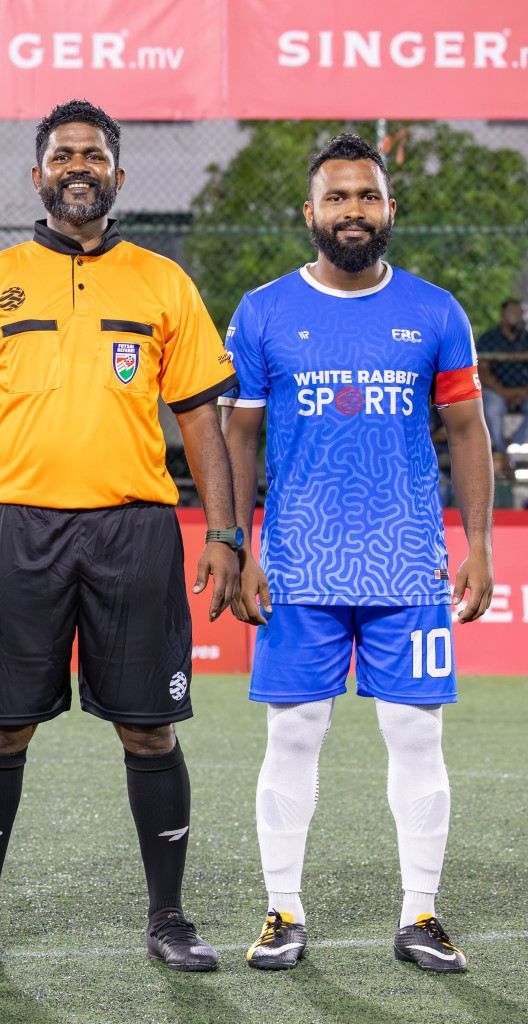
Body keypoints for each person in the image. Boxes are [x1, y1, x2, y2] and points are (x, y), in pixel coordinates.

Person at [0, 99, 240, 972]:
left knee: (151, 731)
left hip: (135, 529)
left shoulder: (163, 283)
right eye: (63, 154)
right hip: (17, 527)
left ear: (118, 176)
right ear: (39, 175)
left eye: (94, 153)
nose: (79, 165)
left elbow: (202, 420)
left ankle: (168, 917)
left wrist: (227, 532)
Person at [222, 133, 493, 974]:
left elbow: (467, 430)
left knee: (417, 739)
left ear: (389, 209)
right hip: (297, 563)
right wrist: (236, 542)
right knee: (293, 736)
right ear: (310, 213)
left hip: (409, 564)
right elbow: (237, 434)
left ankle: (420, 913)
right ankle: (282, 912)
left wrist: (477, 541)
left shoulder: (437, 310)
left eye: (366, 197)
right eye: (336, 198)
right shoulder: (263, 311)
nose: (352, 212)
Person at [475, 299, 527, 462]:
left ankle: (513, 444)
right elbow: (483, 371)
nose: (517, 317)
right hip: (496, 391)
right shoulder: (489, 338)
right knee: (490, 407)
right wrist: (506, 393)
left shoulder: (526, 338)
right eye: (513, 313)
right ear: (503, 315)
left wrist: (523, 392)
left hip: (523, 391)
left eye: (519, 313)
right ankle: (499, 450)